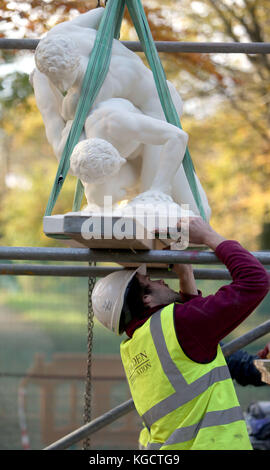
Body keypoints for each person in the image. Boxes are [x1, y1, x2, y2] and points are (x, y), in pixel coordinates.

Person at [92, 217, 269, 450]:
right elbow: (255, 280)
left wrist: (185, 272)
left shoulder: (136, 346)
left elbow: (209, 355)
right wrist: (209, 236)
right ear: (147, 299)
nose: (163, 280)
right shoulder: (181, 327)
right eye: (151, 281)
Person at [31, 7, 211, 217]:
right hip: (123, 117)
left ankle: (162, 197)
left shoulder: (101, 90)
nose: (61, 85)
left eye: (64, 78)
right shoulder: (58, 36)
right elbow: (104, 13)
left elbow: (66, 118)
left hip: (159, 105)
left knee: (152, 197)